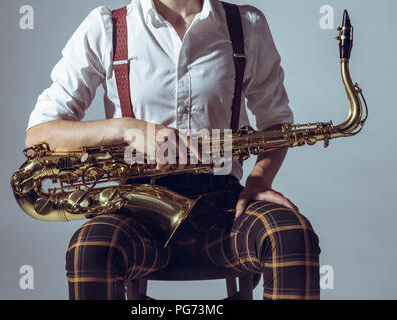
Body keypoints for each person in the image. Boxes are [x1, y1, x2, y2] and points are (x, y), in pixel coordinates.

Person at [25, 0, 321, 300]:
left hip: (225, 209)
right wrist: (127, 128)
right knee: (90, 248)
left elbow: (277, 122)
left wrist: (259, 179)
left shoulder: (246, 23)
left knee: (290, 234)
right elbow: (40, 136)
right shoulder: (107, 27)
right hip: (138, 209)